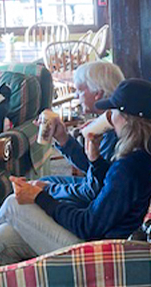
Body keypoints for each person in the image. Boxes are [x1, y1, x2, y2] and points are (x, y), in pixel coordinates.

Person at [0, 79, 151, 265]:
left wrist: (40, 197)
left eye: (112, 111)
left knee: (14, 204)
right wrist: (95, 161)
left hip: (102, 255)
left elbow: (88, 226)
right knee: (3, 239)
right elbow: (116, 192)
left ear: (124, 117)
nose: (110, 118)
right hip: (108, 241)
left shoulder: (131, 167)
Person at [36, 61, 125, 207]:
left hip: (100, 200)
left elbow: (96, 189)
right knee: (41, 182)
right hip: (96, 188)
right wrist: (62, 137)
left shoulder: (113, 131)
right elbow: (93, 167)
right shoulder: (106, 120)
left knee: (35, 191)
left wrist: (47, 189)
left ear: (98, 93)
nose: (76, 95)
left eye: (80, 90)